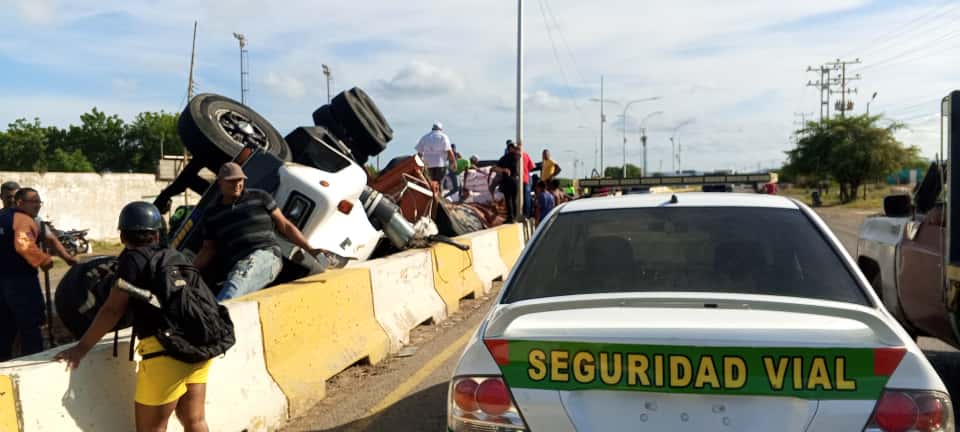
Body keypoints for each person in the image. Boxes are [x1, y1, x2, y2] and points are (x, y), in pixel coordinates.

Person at [56, 202, 212, 432]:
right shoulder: (174, 255)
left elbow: (112, 309)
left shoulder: (132, 261)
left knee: (151, 429)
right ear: (157, 234)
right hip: (200, 344)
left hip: (165, 353)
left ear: (122, 235)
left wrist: (81, 348)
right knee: (195, 420)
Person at [193, 162, 345, 301]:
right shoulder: (211, 214)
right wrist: (189, 271)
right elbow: (208, 249)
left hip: (267, 256)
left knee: (242, 274)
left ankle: (218, 316)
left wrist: (312, 250)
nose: (238, 184)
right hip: (238, 266)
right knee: (236, 286)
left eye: (240, 179)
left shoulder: (260, 197)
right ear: (220, 182)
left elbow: (285, 226)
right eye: (232, 180)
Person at [0, 188, 54, 360]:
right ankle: (34, 361)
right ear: (20, 203)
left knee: (5, 327)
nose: (38, 205)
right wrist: (44, 260)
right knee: (30, 325)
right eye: (34, 201)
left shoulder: (2, 217)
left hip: (2, 282)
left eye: (39, 201)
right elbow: (23, 245)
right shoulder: (22, 219)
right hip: (21, 282)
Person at [2, 181, 78, 266]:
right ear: (1, 197)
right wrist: (43, 260)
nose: (12, 200)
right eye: (9, 197)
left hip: (23, 270)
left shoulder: (33, 219)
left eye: (15, 196)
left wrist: (67, 258)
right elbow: (23, 245)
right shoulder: (19, 219)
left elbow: (50, 240)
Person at [492, 143, 521, 222]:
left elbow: (495, 168)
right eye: (513, 148)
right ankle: (512, 217)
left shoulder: (513, 156)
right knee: (510, 200)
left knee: (511, 200)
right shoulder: (512, 156)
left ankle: (512, 217)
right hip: (510, 180)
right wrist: (503, 170)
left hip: (511, 180)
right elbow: (494, 168)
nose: (515, 149)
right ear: (510, 148)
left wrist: (502, 170)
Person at [516, 141, 536, 218]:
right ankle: (527, 214)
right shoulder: (526, 155)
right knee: (527, 197)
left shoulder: (515, 156)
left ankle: (524, 214)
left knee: (522, 198)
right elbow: (532, 166)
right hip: (526, 179)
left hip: (519, 180)